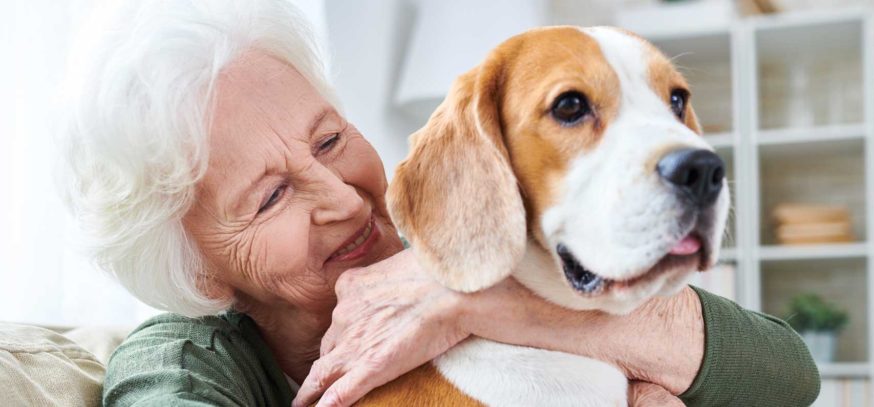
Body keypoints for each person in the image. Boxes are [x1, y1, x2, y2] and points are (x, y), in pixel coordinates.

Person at [61, 1, 820, 406]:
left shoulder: (482, 245)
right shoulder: (185, 360)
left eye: (328, 141)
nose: (342, 196)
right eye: (271, 196)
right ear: (200, 274)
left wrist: (467, 299)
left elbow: (788, 374)